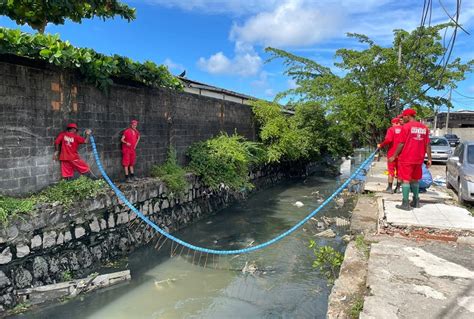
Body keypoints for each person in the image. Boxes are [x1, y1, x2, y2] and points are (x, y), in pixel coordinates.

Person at [389, 108, 432, 210]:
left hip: (406, 158)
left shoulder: (406, 127)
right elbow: (428, 144)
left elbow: (401, 143)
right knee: (415, 179)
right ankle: (416, 201)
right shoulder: (424, 128)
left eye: (403, 116)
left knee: (406, 180)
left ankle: (405, 204)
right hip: (419, 159)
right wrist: (429, 158)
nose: (402, 118)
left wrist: (394, 156)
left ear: (408, 116)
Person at [377, 117, 403, 193]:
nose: (392, 125)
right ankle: (398, 189)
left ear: (395, 123)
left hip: (392, 153)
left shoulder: (391, 129)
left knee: (391, 171)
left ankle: (389, 188)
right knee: (399, 171)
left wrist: (381, 145)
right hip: (401, 154)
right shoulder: (404, 129)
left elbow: (389, 140)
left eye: (393, 123)